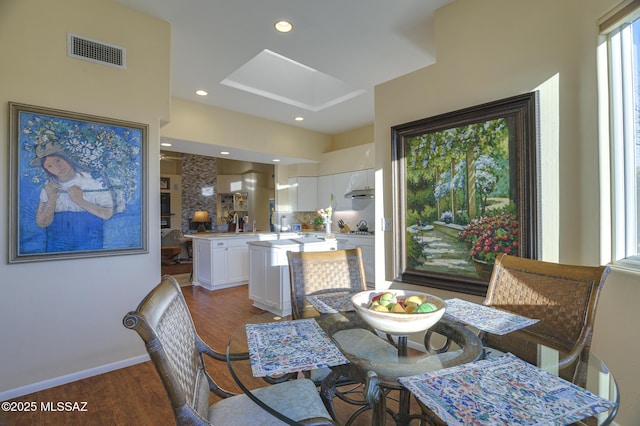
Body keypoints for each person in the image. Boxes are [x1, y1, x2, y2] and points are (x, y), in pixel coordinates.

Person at [30, 142, 115, 252]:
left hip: (90, 242)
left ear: (66, 157)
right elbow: (42, 223)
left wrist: (80, 201)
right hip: (56, 244)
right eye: (49, 166)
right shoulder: (49, 186)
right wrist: (52, 199)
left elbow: (107, 214)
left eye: (58, 160)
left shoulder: (93, 179)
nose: (57, 167)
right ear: (46, 170)